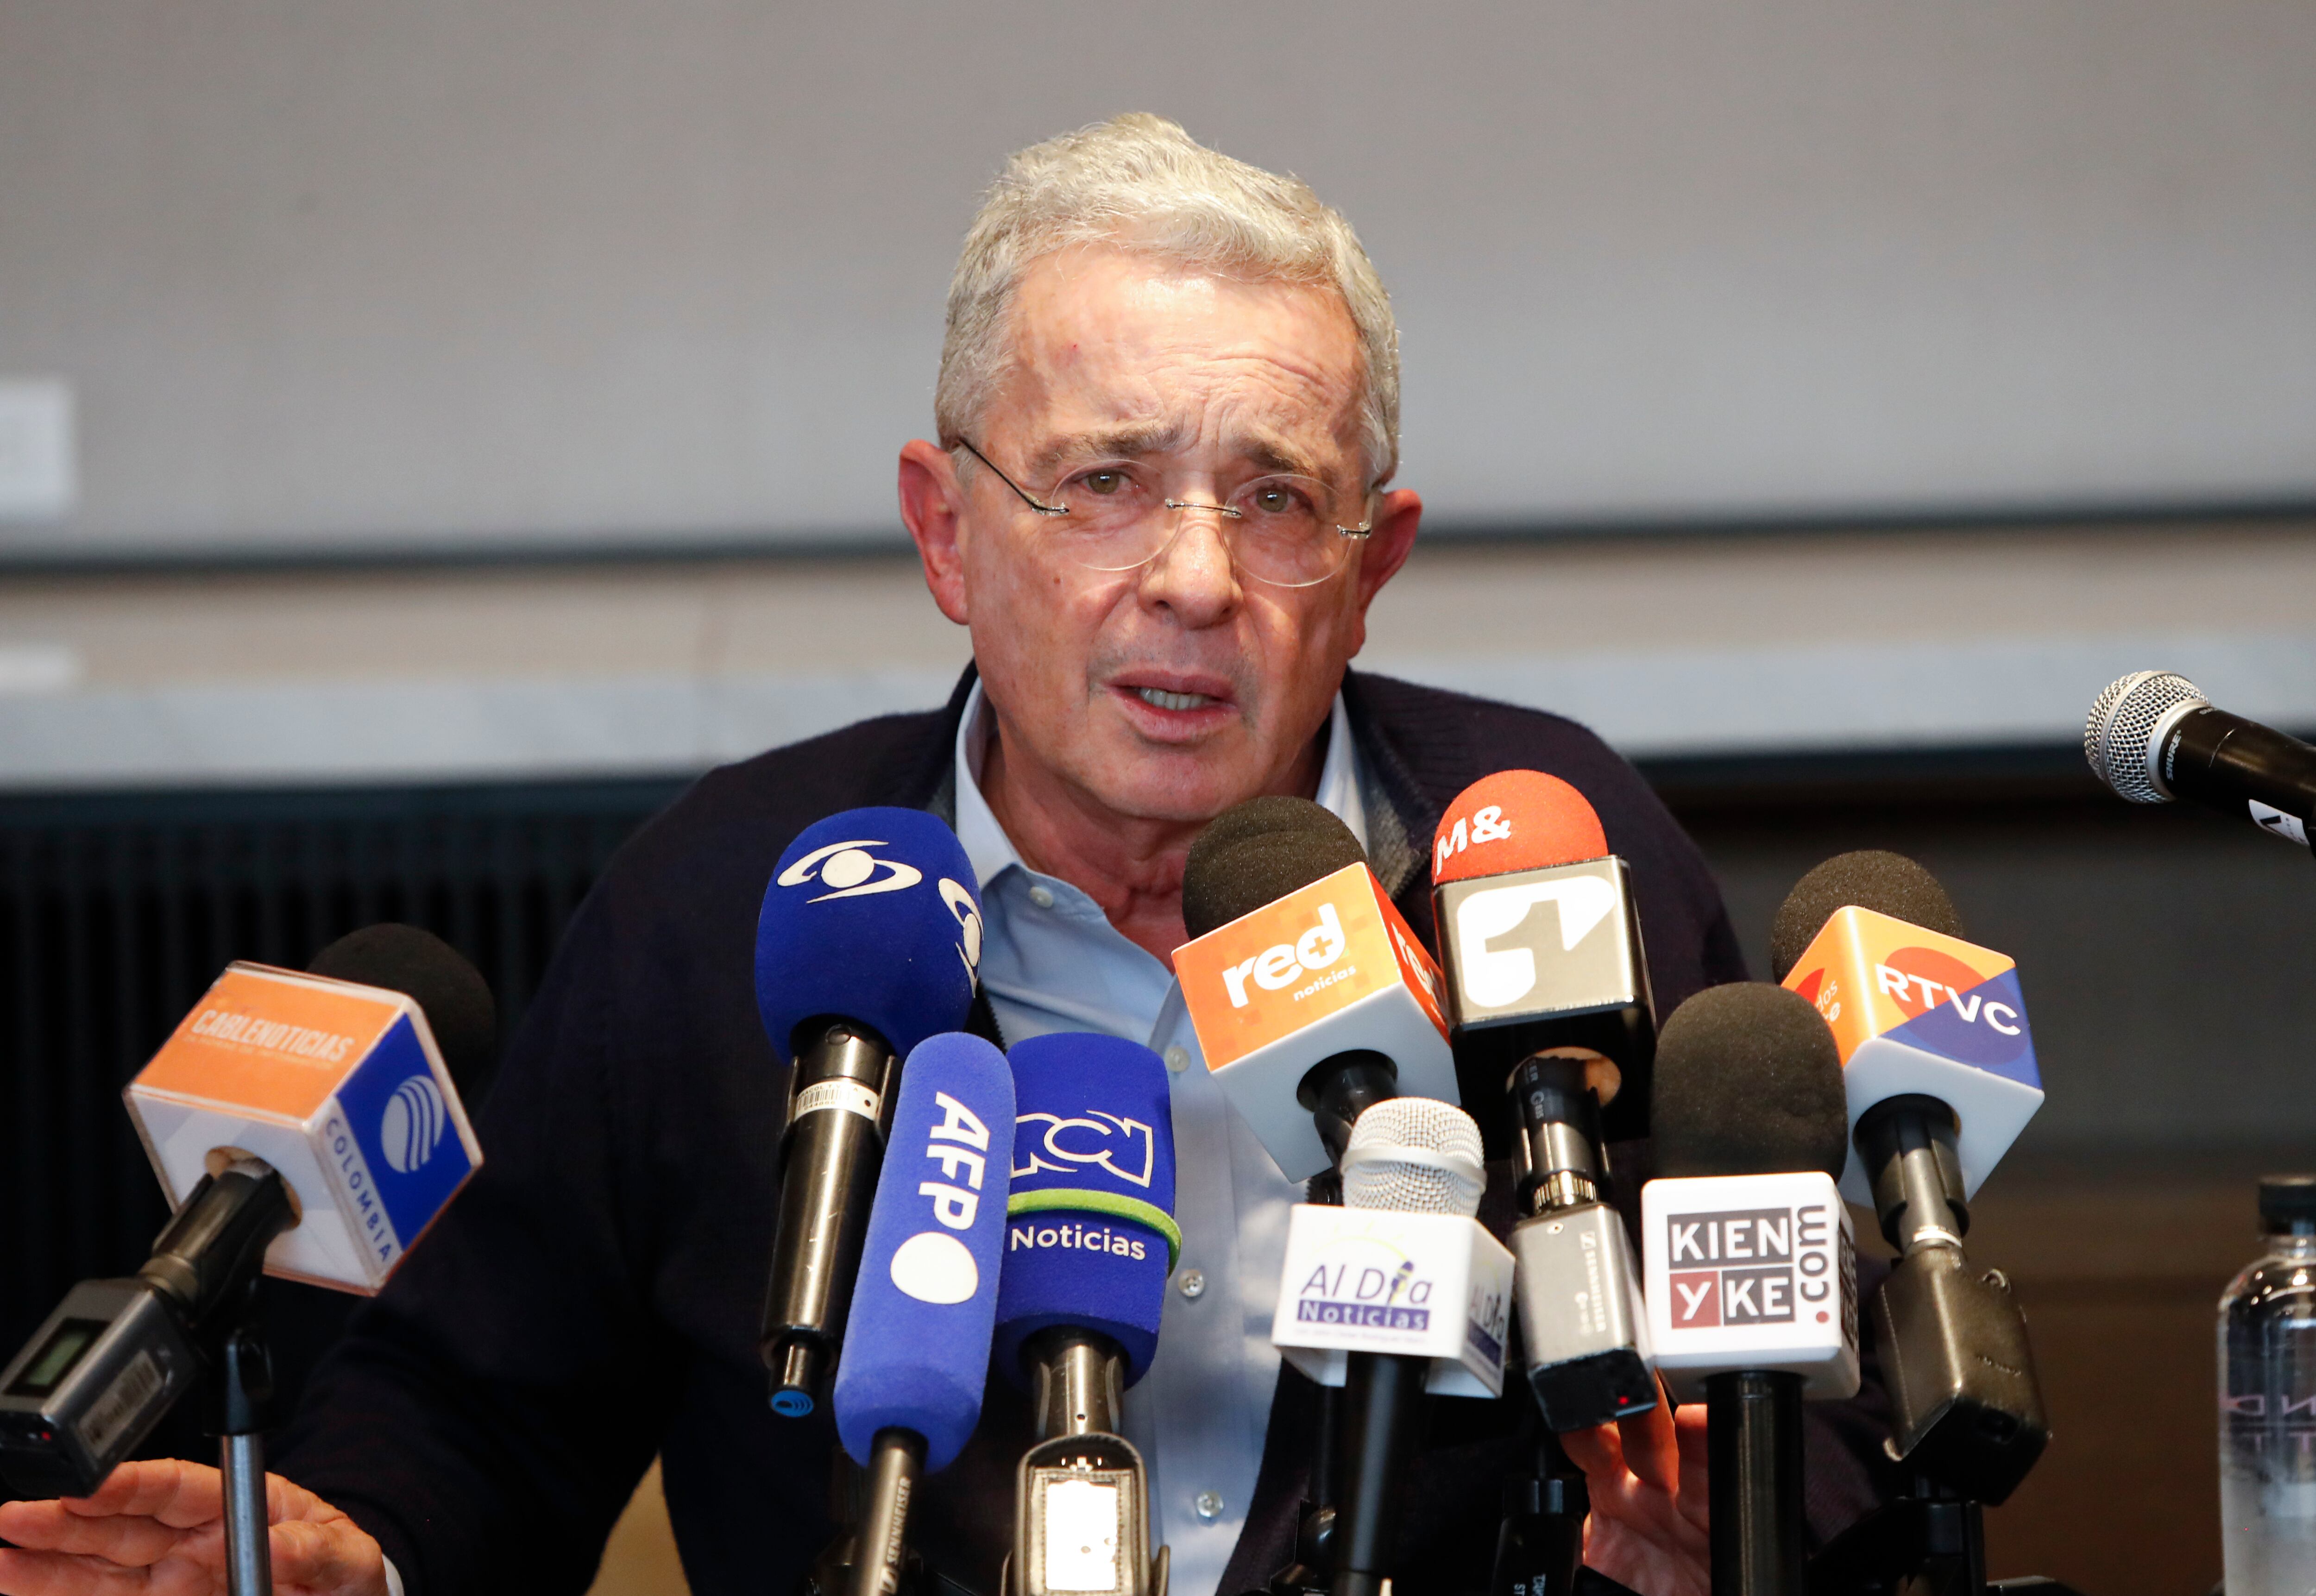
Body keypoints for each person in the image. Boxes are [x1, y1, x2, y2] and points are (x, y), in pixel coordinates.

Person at [0, 114, 1890, 1596]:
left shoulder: (1553, 871)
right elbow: (490, 1402)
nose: (1192, 577)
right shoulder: (723, 903)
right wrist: (370, 1550)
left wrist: (1740, 1528)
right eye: (1103, 481)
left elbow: (1796, 1371)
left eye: (1274, 498)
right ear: (943, 532)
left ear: (1369, 567)